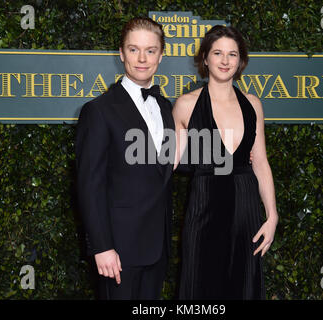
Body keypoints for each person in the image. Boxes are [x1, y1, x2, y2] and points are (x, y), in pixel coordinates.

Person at [172, 25, 279, 299]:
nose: (224, 60)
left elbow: (261, 163)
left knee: (243, 286)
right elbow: (168, 163)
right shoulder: (185, 104)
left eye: (232, 54)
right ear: (205, 58)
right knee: (200, 286)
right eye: (217, 53)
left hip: (246, 211)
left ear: (240, 60)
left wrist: (272, 216)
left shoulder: (253, 104)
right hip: (204, 209)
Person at [75, 17, 175, 300]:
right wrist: (102, 247)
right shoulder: (99, 111)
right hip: (117, 252)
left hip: (158, 249)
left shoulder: (166, 107)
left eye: (150, 50)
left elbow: (163, 169)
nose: (142, 59)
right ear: (121, 53)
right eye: (133, 50)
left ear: (161, 55)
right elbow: (89, 186)